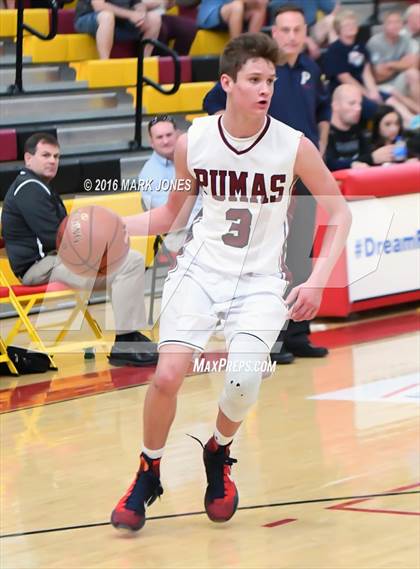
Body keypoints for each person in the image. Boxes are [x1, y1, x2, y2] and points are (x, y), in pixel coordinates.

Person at [110, 32, 352, 533]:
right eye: (255, 80)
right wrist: (117, 227)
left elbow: (340, 212)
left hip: (261, 279)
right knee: (168, 375)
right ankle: (148, 469)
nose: (265, 89)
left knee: (243, 379)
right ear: (228, 83)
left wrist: (317, 282)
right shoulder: (193, 140)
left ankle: (218, 452)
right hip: (200, 270)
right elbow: (169, 215)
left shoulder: (293, 145)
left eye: (271, 80)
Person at [203, 4, 331, 364]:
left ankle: (297, 333)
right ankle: (269, 340)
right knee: (270, 259)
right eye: (285, 30)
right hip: (267, 179)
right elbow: (215, 105)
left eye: (297, 29)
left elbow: (323, 112)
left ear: (305, 33)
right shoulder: (259, 73)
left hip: (303, 174)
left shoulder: (311, 69)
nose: (291, 36)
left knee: (300, 255)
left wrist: (318, 146)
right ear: (274, 33)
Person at [1, 133, 158, 368]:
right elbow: (55, 237)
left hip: (55, 262)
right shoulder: (29, 188)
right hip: (40, 267)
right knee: (128, 263)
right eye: (45, 155)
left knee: (130, 261)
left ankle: (128, 338)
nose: (52, 161)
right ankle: (126, 342)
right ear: (28, 158)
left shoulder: (39, 187)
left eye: (56, 156)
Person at [139, 115, 202, 250]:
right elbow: (172, 216)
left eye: (169, 135)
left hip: (205, 223)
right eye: (159, 137)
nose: (166, 141)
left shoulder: (193, 158)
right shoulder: (149, 174)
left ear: (178, 135)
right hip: (179, 232)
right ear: (151, 142)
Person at [325, 84, 395, 170]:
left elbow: (366, 155)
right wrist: (371, 158)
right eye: (352, 103)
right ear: (335, 105)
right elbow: (329, 164)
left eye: (360, 104)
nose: (358, 108)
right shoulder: (324, 131)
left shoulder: (357, 130)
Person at [367, 10, 420, 118]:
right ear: (384, 25)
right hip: (381, 85)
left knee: (413, 73)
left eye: (398, 22)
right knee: (407, 79)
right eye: (391, 22)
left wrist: (390, 65)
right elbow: (378, 76)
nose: (395, 26)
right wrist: (402, 64)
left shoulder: (405, 39)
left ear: (402, 24)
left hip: (399, 79)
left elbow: (413, 64)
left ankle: (417, 112)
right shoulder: (375, 42)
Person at [74, 0, 161, 59]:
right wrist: (130, 15)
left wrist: (140, 14)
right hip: (89, 18)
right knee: (107, 17)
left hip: (120, 21)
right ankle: (104, 63)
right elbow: (99, 6)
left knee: (154, 19)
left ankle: (144, 62)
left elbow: (138, 3)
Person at [197, 0, 268, 39]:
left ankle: (252, 46)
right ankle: (235, 49)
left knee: (261, 3)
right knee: (237, 6)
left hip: (236, 9)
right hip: (210, 13)